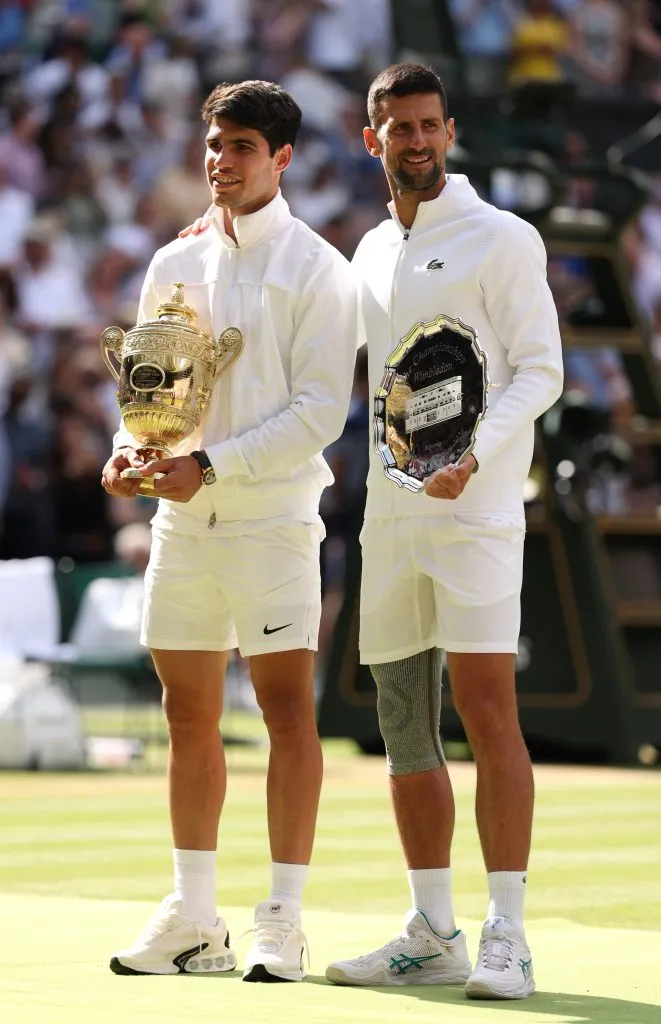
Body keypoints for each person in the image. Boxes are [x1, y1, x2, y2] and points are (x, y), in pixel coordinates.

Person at [100, 79, 359, 982]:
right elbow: (148, 396)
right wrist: (129, 453)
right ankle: (193, 918)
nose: (221, 160)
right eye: (214, 143)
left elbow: (320, 411)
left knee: (287, 712)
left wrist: (209, 466)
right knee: (187, 714)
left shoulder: (320, 267)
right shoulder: (173, 259)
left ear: (281, 158)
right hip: (183, 522)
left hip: (273, 523)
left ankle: (281, 918)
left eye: (242, 146)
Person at [323, 63, 563, 999]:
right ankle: (433, 931)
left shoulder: (501, 236)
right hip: (389, 522)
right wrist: (221, 234)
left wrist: (474, 453)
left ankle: (508, 934)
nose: (415, 141)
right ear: (371, 137)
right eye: (399, 127)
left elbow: (539, 370)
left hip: (476, 515)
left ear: (449, 133)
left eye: (428, 125)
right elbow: (319, 337)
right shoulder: (367, 249)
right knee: (401, 722)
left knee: (487, 709)